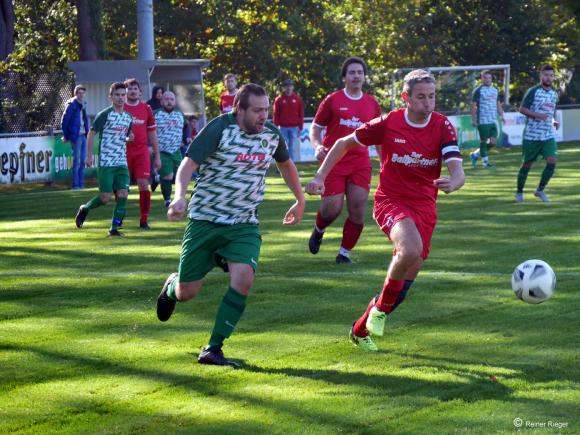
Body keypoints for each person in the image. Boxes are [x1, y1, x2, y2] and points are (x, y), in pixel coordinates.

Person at [306, 69, 465, 351]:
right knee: (409, 250)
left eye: (432, 96)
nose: (428, 103)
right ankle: (378, 312)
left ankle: (360, 329)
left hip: (425, 206)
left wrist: (454, 182)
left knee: (404, 281)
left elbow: (458, 170)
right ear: (405, 98)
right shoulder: (390, 122)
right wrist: (320, 176)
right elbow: (343, 143)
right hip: (391, 200)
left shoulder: (442, 126)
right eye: (421, 97)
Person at [156, 83, 305, 367]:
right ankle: (172, 286)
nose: (264, 116)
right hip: (205, 222)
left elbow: (286, 165)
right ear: (239, 109)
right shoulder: (219, 129)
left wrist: (299, 199)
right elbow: (187, 165)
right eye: (257, 111)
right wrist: (178, 197)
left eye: (266, 110)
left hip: (243, 224)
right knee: (188, 292)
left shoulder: (271, 135)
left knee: (244, 278)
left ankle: (213, 348)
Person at [308, 57, 381, 264]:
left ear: (364, 77)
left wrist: (385, 162)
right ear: (344, 77)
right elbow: (315, 127)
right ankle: (318, 230)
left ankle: (344, 254)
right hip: (334, 161)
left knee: (358, 209)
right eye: (352, 72)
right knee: (332, 208)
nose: (356, 76)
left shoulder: (372, 104)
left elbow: (379, 137)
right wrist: (317, 146)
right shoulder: (332, 100)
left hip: (360, 162)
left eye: (360, 72)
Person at [74, 82, 134, 236]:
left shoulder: (128, 117)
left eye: (123, 95)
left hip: (121, 162)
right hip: (107, 162)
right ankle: (85, 208)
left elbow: (125, 136)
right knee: (105, 198)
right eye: (117, 95)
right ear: (111, 97)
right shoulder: (105, 114)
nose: (121, 98)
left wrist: (129, 138)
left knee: (123, 194)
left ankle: (113, 229)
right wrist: (88, 156)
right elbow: (91, 133)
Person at [515, 64, 560, 203]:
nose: (549, 77)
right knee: (527, 165)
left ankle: (540, 190)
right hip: (531, 136)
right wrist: (537, 115)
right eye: (546, 75)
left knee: (552, 161)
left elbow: (552, 111)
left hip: (547, 135)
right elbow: (522, 109)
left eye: (551, 75)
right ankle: (519, 192)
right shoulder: (533, 91)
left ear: (553, 77)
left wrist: (554, 121)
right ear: (541, 76)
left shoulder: (554, 94)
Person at [124, 78, 161, 229]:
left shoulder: (146, 109)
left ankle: (144, 220)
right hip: (123, 152)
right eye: (129, 88)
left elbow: (152, 133)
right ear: (125, 91)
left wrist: (157, 155)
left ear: (140, 92)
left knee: (143, 184)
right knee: (122, 187)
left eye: (135, 88)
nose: (132, 91)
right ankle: (118, 218)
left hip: (141, 152)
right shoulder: (120, 108)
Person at [154, 90, 191, 207]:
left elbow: (186, 126)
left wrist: (187, 137)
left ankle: (157, 179)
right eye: (166, 99)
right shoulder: (155, 114)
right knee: (168, 176)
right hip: (162, 151)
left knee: (180, 174)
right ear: (161, 101)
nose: (169, 102)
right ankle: (167, 200)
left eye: (171, 99)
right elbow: (148, 129)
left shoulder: (180, 114)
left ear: (175, 102)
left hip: (176, 151)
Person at [470, 70, 505, 168]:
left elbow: (498, 104)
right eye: (485, 78)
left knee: (493, 142)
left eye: (489, 78)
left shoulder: (495, 89)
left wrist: (502, 115)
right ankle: (486, 163)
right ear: (482, 79)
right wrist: (473, 119)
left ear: (491, 79)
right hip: (483, 120)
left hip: (493, 120)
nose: (487, 80)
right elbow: (473, 106)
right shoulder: (478, 91)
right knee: (483, 141)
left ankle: (475, 154)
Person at [61, 84, 90, 189]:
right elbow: (64, 121)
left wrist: (88, 132)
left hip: (83, 135)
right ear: (76, 93)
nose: (81, 95)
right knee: (77, 161)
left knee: (83, 161)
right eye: (79, 93)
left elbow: (85, 120)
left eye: (83, 93)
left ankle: (81, 184)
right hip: (76, 136)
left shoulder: (84, 104)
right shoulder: (71, 105)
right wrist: (66, 135)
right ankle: (76, 185)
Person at [273, 79, 304, 161]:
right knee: (283, 148)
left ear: (293, 87)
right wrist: (276, 127)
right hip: (283, 128)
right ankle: (283, 165)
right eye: (286, 86)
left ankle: (291, 166)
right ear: (283, 88)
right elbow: (276, 114)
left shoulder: (298, 99)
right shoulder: (279, 100)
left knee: (292, 148)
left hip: (294, 127)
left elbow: (301, 114)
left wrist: (300, 128)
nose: (288, 88)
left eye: (290, 86)